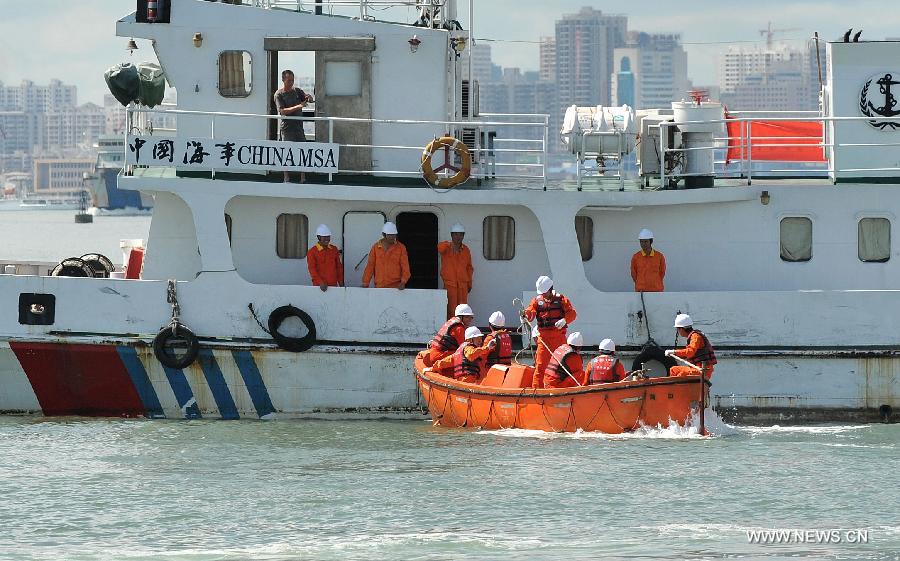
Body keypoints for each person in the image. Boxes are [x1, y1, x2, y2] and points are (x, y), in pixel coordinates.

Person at [522, 275, 577, 387]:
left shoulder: (561, 300)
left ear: (550, 289)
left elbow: (572, 313)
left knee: (563, 365)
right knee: (540, 366)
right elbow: (530, 312)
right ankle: (537, 391)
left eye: (544, 292)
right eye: (541, 293)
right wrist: (525, 316)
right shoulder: (536, 301)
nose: (543, 295)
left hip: (559, 338)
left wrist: (565, 320)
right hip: (544, 339)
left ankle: (563, 389)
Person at [274, 69, 314, 183]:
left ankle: (303, 177)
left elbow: (307, 98)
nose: (291, 82)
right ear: (283, 80)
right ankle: (286, 176)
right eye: (289, 80)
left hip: (298, 128)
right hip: (287, 128)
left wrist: (309, 98)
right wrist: (299, 106)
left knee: (302, 150)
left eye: (292, 80)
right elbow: (282, 111)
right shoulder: (279, 94)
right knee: (286, 151)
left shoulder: (297, 91)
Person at [431, 326, 496, 383]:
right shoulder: (468, 349)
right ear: (469, 340)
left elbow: (446, 361)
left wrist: (433, 367)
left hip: (464, 381)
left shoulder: (460, 350)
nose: (480, 341)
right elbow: (471, 354)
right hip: (468, 381)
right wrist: (487, 348)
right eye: (477, 338)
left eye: (480, 338)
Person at [437, 222, 474, 319]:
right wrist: (450, 244)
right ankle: (451, 330)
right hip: (450, 285)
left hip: (463, 286)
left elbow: (469, 268)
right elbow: (439, 248)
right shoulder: (446, 248)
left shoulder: (466, 250)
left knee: (463, 310)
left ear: (463, 236)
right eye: (456, 234)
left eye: (461, 234)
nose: (458, 237)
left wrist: (469, 283)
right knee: (451, 310)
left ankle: (462, 329)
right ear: (451, 235)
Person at [665, 314, 717, 379]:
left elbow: (690, 351)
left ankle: (679, 388)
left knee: (682, 374)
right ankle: (673, 388)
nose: (678, 332)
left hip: (703, 371)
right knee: (673, 369)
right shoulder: (693, 336)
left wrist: (674, 352)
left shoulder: (695, 336)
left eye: (677, 329)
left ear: (681, 329)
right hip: (697, 369)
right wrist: (674, 354)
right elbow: (688, 354)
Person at [361, 222, 410, 289]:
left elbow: (405, 266)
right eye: (390, 235)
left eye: (394, 235)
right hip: (380, 286)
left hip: (396, 288)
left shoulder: (401, 248)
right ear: (384, 234)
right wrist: (365, 283)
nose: (392, 237)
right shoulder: (375, 247)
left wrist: (403, 281)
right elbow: (370, 265)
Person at [307, 224, 343, 291]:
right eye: (324, 237)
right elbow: (312, 269)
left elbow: (339, 267)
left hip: (334, 286)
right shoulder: (312, 252)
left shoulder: (334, 249)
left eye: (328, 237)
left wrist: (341, 282)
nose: (327, 239)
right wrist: (320, 282)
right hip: (319, 287)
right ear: (318, 237)